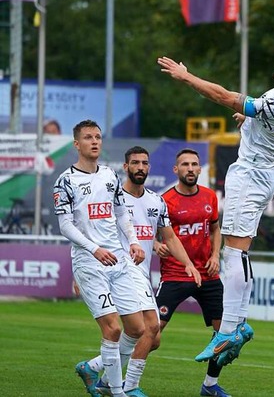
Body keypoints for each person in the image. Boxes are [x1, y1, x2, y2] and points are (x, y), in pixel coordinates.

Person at [158, 41, 274, 367]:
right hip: (263, 174)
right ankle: (238, 324)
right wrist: (252, 120)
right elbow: (269, 119)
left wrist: (186, 76)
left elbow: (224, 96)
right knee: (239, 251)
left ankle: (228, 329)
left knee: (232, 253)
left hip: (250, 177)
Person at [74, 146, 202, 397]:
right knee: (150, 327)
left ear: (149, 168)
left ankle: (95, 369)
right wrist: (80, 272)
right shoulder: (111, 198)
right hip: (119, 270)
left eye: (144, 163)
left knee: (150, 337)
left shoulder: (156, 201)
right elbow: (88, 232)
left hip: (142, 272)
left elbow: (170, 237)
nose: (140, 167)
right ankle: (128, 387)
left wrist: (188, 263)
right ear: (126, 167)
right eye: (135, 163)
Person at [53, 120, 146, 397]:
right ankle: (117, 392)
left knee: (137, 328)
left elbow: (120, 212)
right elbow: (65, 225)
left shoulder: (108, 175)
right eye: (88, 137)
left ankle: (93, 368)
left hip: (117, 260)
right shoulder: (65, 181)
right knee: (113, 328)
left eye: (98, 137)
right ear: (76, 144)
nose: (94, 141)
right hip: (90, 262)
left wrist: (133, 241)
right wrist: (94, 249)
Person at [154, 148, 231, 396]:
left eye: (194, 164)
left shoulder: (210, 197)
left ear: (200, 169)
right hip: (176, 273)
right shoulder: (165, 201)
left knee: (225, 334)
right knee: (151, 332)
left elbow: (215, 228)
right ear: (176, 170)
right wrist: (156, 246)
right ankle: (116, 377)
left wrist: (215, 254)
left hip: (208, 274)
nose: (190, 168)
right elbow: (152, 234)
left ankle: (210, 385)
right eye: (184, 164)